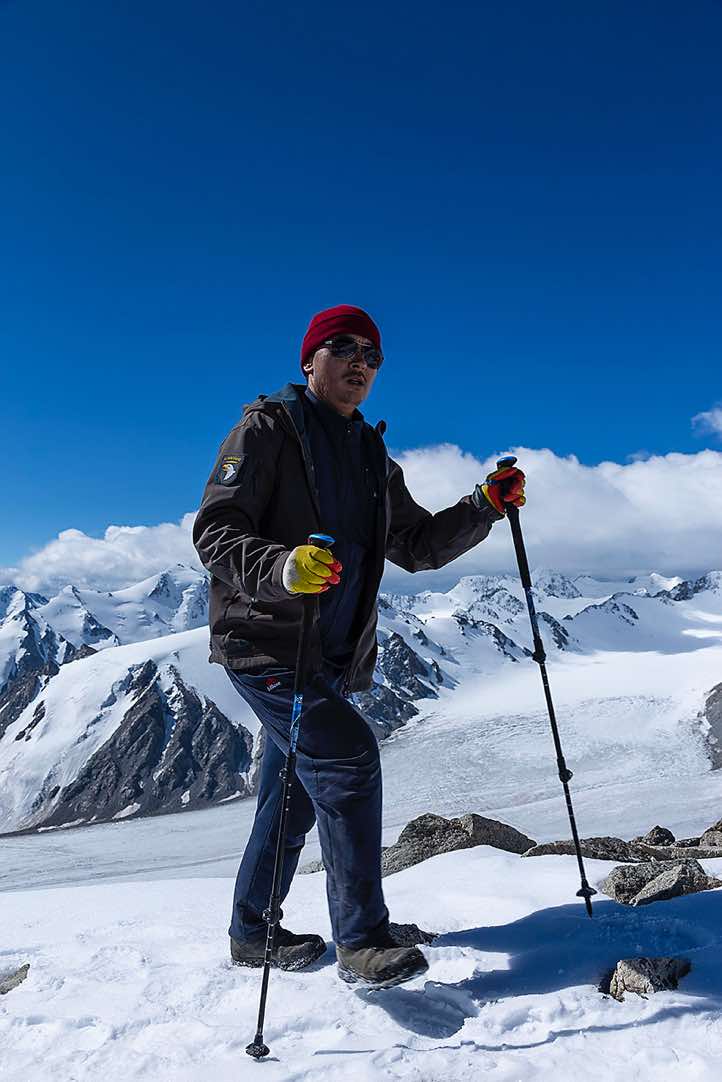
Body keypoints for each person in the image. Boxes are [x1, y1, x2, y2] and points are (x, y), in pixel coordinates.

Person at [193, 304, 525, 988]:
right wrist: (282, 567)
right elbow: (215, 531)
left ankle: (251, 932)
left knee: (292, 795)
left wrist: (483, 506)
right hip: (266, 642)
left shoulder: (371, 455)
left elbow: (417, 545)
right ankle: (363, 939)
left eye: (372, 355)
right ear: (309, 359)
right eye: (344, 348)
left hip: (331, 656)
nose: (360, 363)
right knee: (346, 758)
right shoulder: (267, 430)